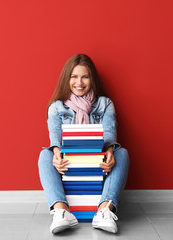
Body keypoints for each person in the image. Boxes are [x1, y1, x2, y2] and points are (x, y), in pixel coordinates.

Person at [38, 53, 130, 234]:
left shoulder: (105, 104)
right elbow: (55, 137)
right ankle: (61, 211)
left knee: (122, 153)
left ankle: (104, 211)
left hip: (99, 166)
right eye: (74, 77)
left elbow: (109, 132)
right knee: (45, 155)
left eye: (85, 76)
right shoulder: (56, 107)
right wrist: (56, 153)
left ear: (92, 79)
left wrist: (110, 151)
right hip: (69, 168)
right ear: (67, 79)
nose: (79, 82)